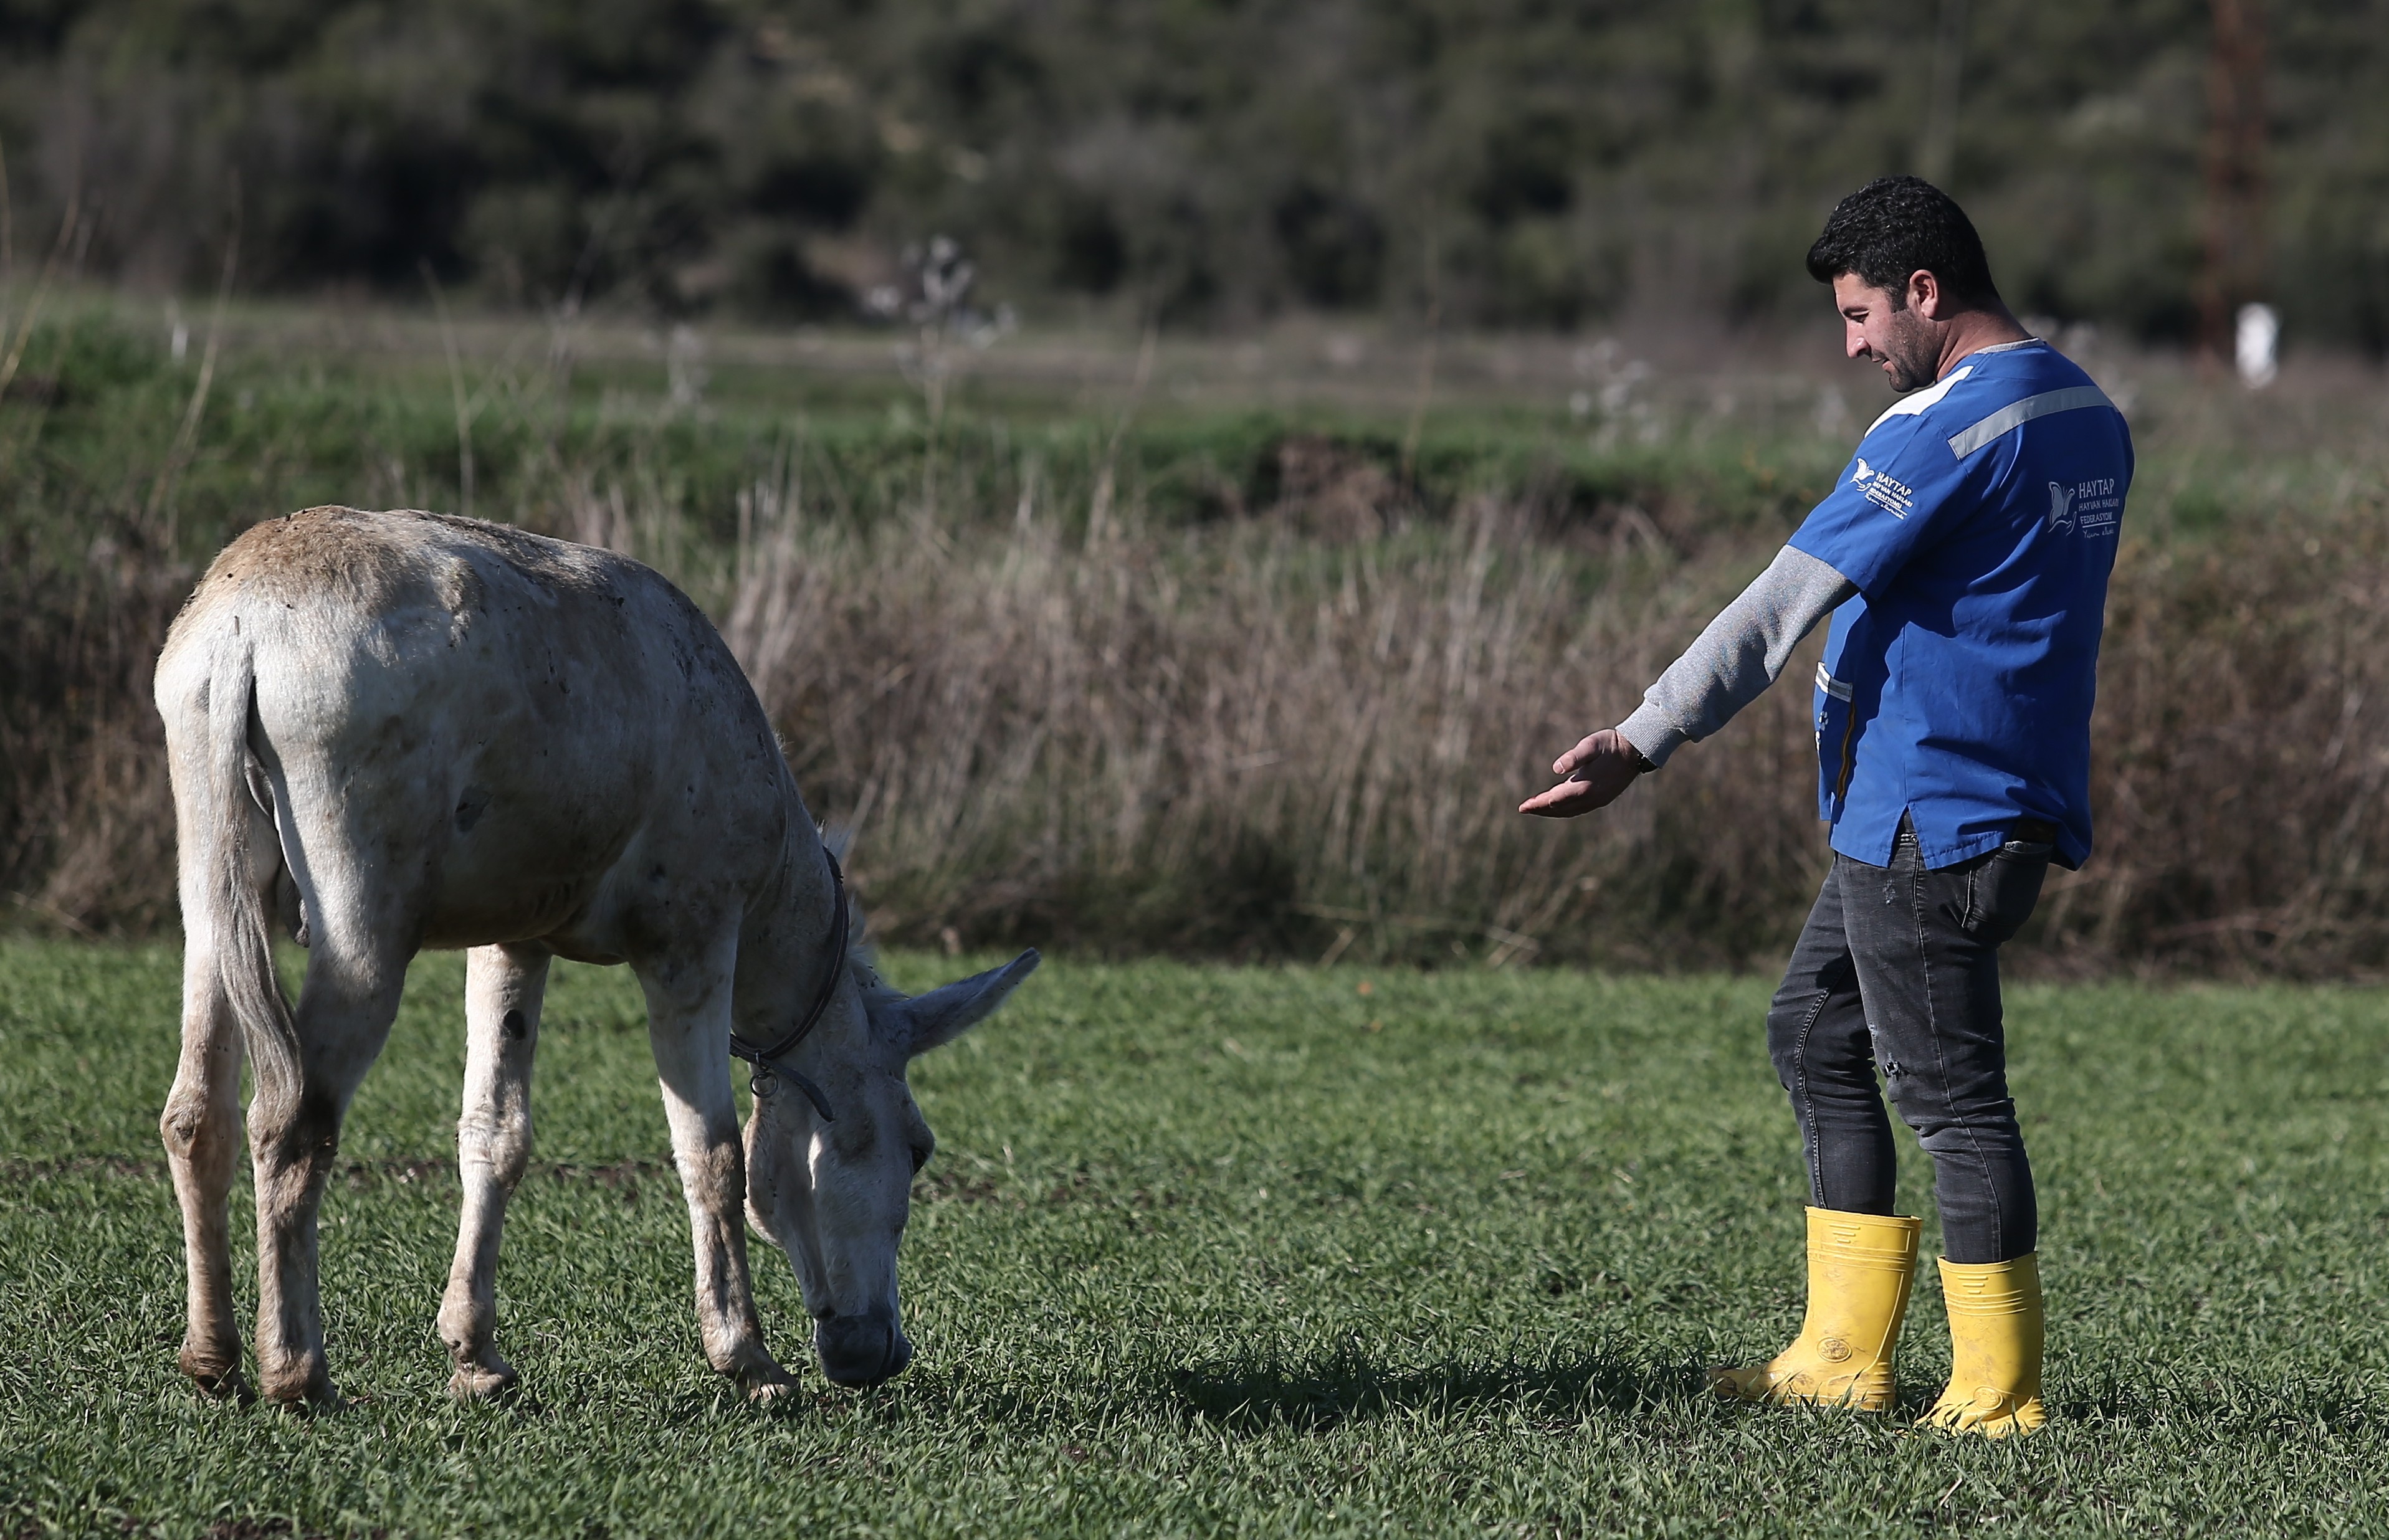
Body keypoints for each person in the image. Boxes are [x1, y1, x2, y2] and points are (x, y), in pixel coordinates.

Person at [1520, 176, 2131, 1438]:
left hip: (1930, 811)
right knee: (1811, 1032)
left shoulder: (1943, 431)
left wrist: (1642, 737)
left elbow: (1778, 604)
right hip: (1983, 799)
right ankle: (1841, 1355)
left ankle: (1998, 1393)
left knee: (1952, 1097)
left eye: (1860, 316)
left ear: (1925, 291)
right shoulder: (2086, 410)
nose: (1852, 347)